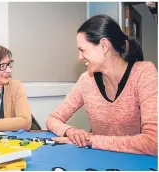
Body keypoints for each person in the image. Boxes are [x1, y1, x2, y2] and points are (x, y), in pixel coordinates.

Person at [46, 14, 157, 156]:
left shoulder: (144, 73)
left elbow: (154, 142)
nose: (79, 57)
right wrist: (70, 131)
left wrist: (92, 140)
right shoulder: (86, 80)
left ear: (104, 46)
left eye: (82, 50)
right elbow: (52, 119)